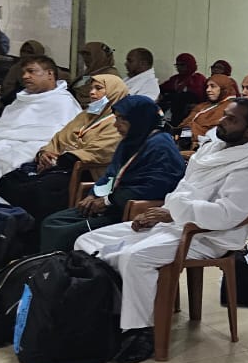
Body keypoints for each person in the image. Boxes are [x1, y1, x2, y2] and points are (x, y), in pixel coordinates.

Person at [75, 98, 248, 363]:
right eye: (224, 115)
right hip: (176, 222)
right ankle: (110, 313)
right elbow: (183, 190)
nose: (222, 121)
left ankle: (140, 331)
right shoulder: (213, 148)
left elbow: (227, 214)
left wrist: (173, 213)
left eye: (232, 120)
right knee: (87, 241)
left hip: (208, 236)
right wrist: (158, 214)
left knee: (134, 257)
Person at [39, 96, 187, 252]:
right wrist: (94, 195)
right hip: (111, 204)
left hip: (132, 211)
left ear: (139, 119)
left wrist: (108, 201)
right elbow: (111, 174)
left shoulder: (161, 146)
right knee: (52, 221)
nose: (116, 125)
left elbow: (154, 187)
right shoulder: (130, 141)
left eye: (122, 119)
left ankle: (60, 265)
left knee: (64, 233)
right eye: (116, 119)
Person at [0, 74, 129, 240]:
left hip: (85, 171)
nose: (92, 92)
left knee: (39, 190)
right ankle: (2, 233)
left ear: (114, 92)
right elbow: (58, 138)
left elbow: (100, 151)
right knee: (9, 180)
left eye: (98, 88)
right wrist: (45, 153)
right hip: (59, 165)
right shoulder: (86, 115)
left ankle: (32, 239)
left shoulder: (118, 121)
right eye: (91, 88)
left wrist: (58, 159)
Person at [0, 55, 80, 210]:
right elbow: (2, 126)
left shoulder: (63, 102)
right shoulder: (22, 99)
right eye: (24, 72)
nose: (25, 76)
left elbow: (60, 138)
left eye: (31, 71)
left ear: (50, 74)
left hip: (25, 150)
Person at [179, 74, 237, 149]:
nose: (208, 90)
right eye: (207, 86)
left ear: (224, 89)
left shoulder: (230, 108)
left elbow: (214, 132)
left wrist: (191, 129)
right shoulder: (204, 105)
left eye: (213, 86)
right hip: (185, 141)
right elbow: (184, 124)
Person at [157, 53, 207, 126]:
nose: (179, 67)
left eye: (182, 65)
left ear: (189, 65)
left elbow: (199, 95)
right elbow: (162, 88)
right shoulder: (175, 79)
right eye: (177, 65)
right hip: (173, 110)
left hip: (190, 112)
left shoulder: (197, 78)